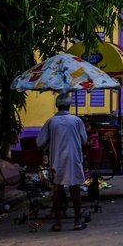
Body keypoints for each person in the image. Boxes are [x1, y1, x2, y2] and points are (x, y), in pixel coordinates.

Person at [36, 93, 87, 231]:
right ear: (69, 105)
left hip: (57, 160)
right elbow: (84, 140)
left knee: (57, 190)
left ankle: (58, 223)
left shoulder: (51, 122)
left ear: (57, 106)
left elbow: (39, 143)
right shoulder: (77, 121)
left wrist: (50, 143)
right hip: (74, 159)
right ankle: (77, 222)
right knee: (75, 189)